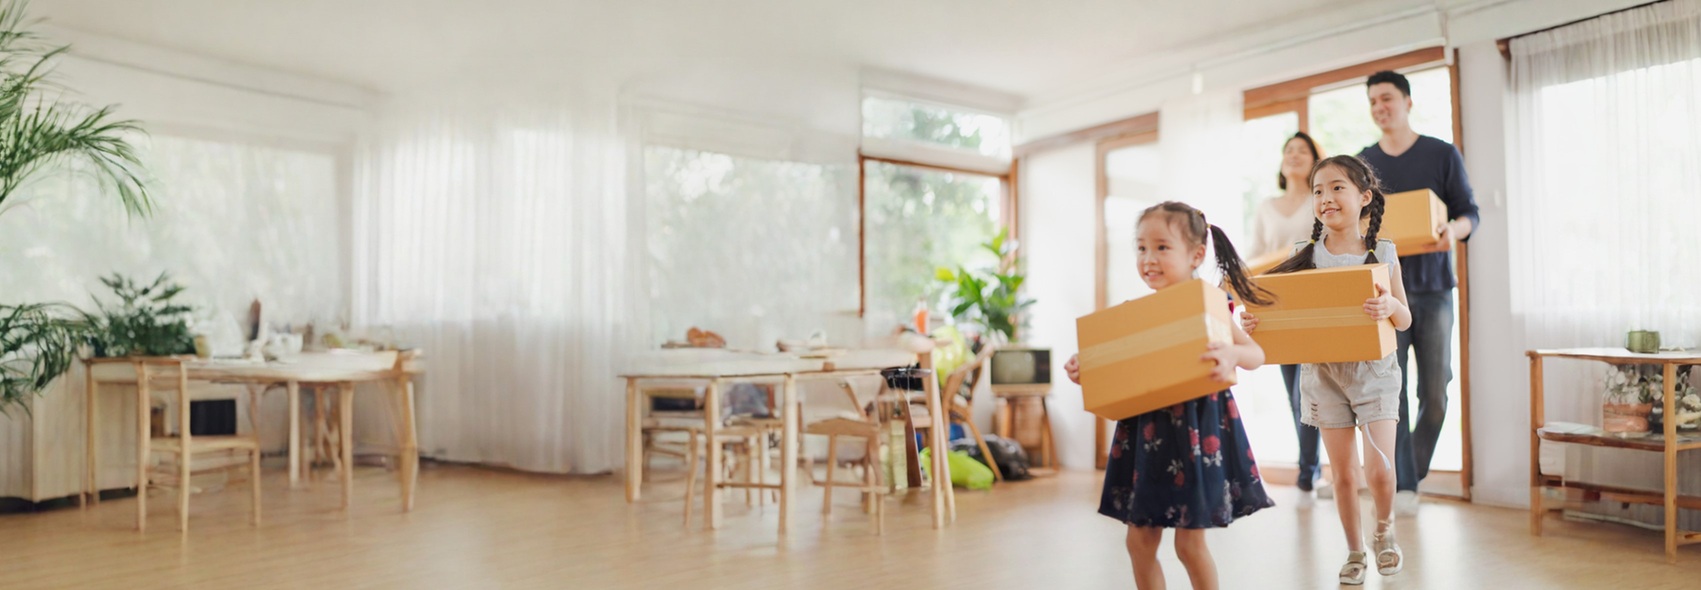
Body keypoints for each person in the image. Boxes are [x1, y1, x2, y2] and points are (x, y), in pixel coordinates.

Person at [1063, 201, 1274, 590]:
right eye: (1141, 248)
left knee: (1190, 545)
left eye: (1162, 247)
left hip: (1194, 431)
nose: (1149, 258)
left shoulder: (1210, 305)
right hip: (1147, 433)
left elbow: (1256, 355)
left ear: (1196, 255)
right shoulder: (1136, 314)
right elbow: (1116, 365)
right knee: (1138, 542)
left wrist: (1232, 353)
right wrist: (1086, 368)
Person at [1246, 155, 1412, 584]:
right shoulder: (1303, 255)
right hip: (1323, 378)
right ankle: (1355, 551)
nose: (1326, 198)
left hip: (1375, 375)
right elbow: (1278, 312)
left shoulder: (1383, 251)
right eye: (1318, 190)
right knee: (1342, 475)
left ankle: (1384, 531)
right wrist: (1253, 322)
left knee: (1380, 470)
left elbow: (1404, 319)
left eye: (1337, 187)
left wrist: (1389, 306)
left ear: (1364, 197)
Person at [1357, 70, 1480, 515]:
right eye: (1373, 101)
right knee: (1393, 391)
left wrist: (1452, 230)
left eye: (1387, 98)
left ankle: (1410, 470)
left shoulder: (1441, 154)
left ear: (1407, 102)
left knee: (1436, 392)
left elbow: (1469, 214)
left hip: (1434, 290)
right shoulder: (1363, 163)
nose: (1380, 108)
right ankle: (1404, 485)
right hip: (1383, 293)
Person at [1249, 131, 1326, 500]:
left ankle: (1307, 472)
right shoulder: (1266, 206)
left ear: (1314, 161)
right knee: (1292, 392)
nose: (1294, 155)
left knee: (1306, 393)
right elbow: (1256, 254)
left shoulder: (1320, 200)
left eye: (1302, 151)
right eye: (1289, 151)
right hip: (1277, 304)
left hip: (1313, 303)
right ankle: (1310, 469)